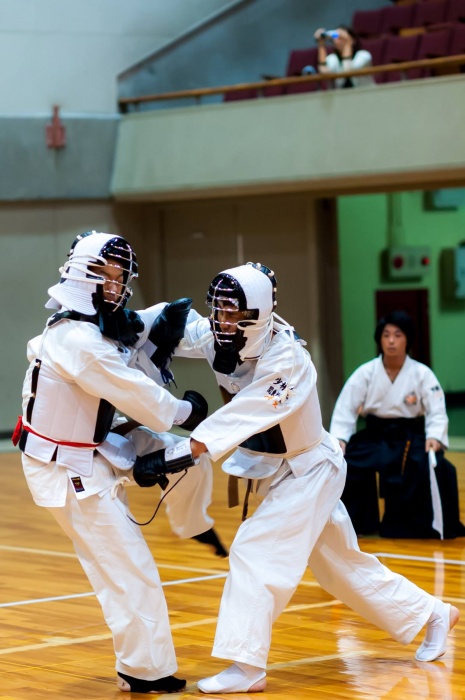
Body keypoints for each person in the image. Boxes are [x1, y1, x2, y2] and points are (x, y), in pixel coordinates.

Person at [133, 263, 460, 694]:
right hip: (278, 471)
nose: (223, 321)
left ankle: (246, 665)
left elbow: (241, 416)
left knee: (253, 550)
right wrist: (136, 324)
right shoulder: (217, 333)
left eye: (233, 313)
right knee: (341, 568)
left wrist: (173, 455)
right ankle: (433, 614)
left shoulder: (288, 359)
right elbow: (182, 326)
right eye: (220, 310)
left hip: (310, 470)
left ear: (259, 314)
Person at [14, 230, 220, 694]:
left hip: (82, 452)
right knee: (129, 567)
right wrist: (186, 410)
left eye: (120, 276)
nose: (115, 285)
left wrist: (172, 324)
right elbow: (139, 394)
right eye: (106, 275)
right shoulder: (78, 340)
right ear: (82, 276)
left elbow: (135, 330)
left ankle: (139, 666)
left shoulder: (83, 328)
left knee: (116, 568)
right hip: (67, 468)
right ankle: (146, 671)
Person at [329, 310, 465, 539]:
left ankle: (408, 526)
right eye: (386, 335)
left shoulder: (421, 374)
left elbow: (436, 409)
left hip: (408, 435)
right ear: (379, 340)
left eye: (398, 335)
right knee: (347, 462)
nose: (391, 341)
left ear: (407, 340)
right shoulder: (366, 373)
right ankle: (360, 524)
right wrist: (340, 439)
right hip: (374, 434)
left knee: (434, 465)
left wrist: (435, 435)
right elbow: (346, 408)